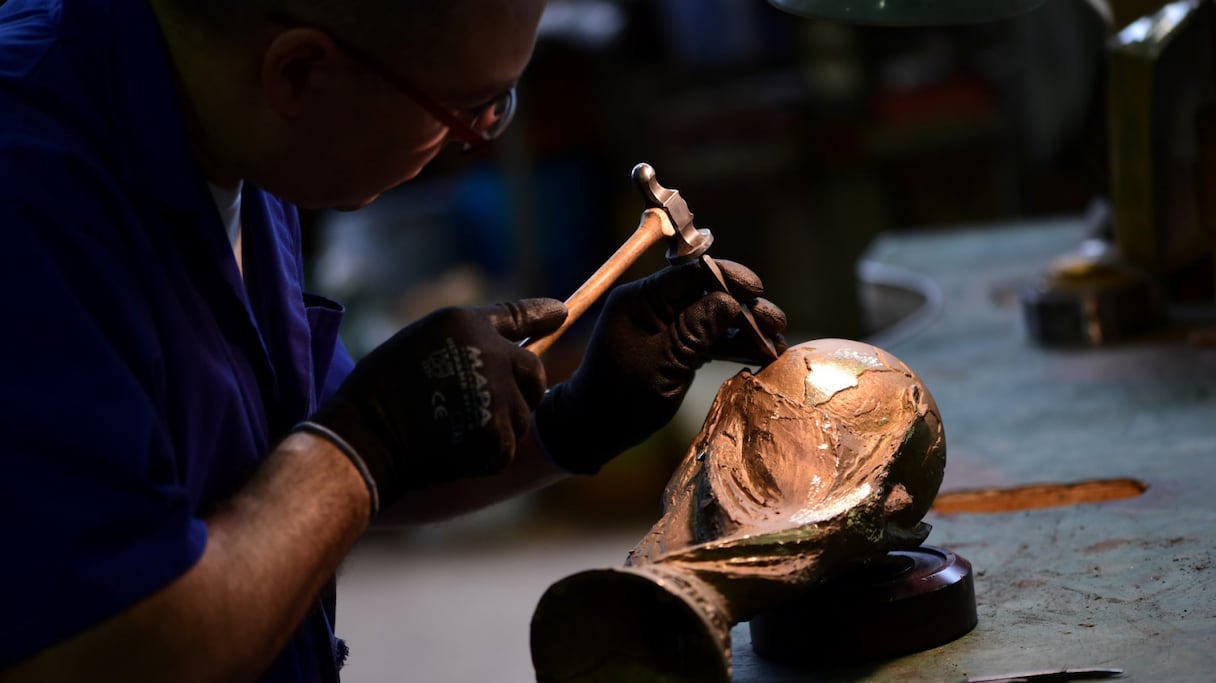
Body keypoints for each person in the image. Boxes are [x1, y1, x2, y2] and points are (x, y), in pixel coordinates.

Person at [0, 0, 788, 681]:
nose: (480, 135)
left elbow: (295, 487)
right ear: (301, 74)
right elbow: (119, 651)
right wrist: (367, 437)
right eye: (471, 109)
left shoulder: (234, 127)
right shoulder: (33, 206)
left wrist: (570, 421)